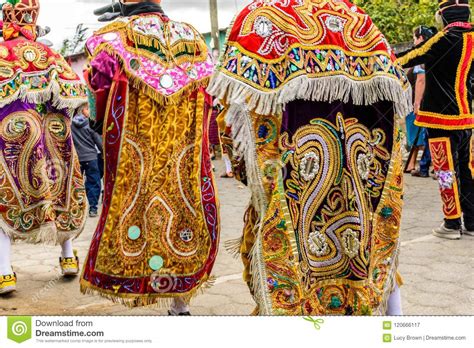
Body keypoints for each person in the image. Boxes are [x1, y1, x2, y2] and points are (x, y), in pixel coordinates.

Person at [209, 0, 410, 315]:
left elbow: (235, 122)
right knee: (369, 262)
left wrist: (248, 174)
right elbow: (396, 124)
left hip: (293, 187)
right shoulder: (360, 21)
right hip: (361, 190)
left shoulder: (261, 20)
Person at [80, 0, 220, 315]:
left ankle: (142, 279)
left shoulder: (112, 38)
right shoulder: (193, 38)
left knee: (138, 213)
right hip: (182, 154)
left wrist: (99, 122)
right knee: (183, 212)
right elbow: (211, 92)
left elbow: (97, 89)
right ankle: (179, 303)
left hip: (135, 156)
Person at [0, 0, 88, 294]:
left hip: (9, 144)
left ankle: (4, 273)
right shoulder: (51, 55)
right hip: (53, 145)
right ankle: (67, 258)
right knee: (59, 197)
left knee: (4, 203)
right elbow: (76, 98)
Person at [397, 0, 473, 240]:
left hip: (440, 118)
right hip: (467, 118)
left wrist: (382, 58)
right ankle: (470, 221)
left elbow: (411, 56)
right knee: (466, 171)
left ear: (445, 15)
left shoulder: (445, 38)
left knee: (444, 172)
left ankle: (451, 223)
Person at [405, 26, 438, 178]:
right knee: (435, 135)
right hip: (440, 101)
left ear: (421, 38)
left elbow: (421, 80)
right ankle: (436, 168)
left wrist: (417, 103)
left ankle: (425, 167)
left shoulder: (423, 54)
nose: (413, 41)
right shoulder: (437, 50)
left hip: (425, 102)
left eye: (415, 37)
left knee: (428, 135)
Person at [71, 105, 103, 217]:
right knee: (94, 182)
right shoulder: (90, 124)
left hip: (77, 158)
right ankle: (93, 208)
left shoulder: (71, 124)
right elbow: (99, 142)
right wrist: (103, 152)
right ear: (83, 110)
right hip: (91, 158)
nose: (90, 111)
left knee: (76, 182)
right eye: (88, 108)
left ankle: (77, 206)